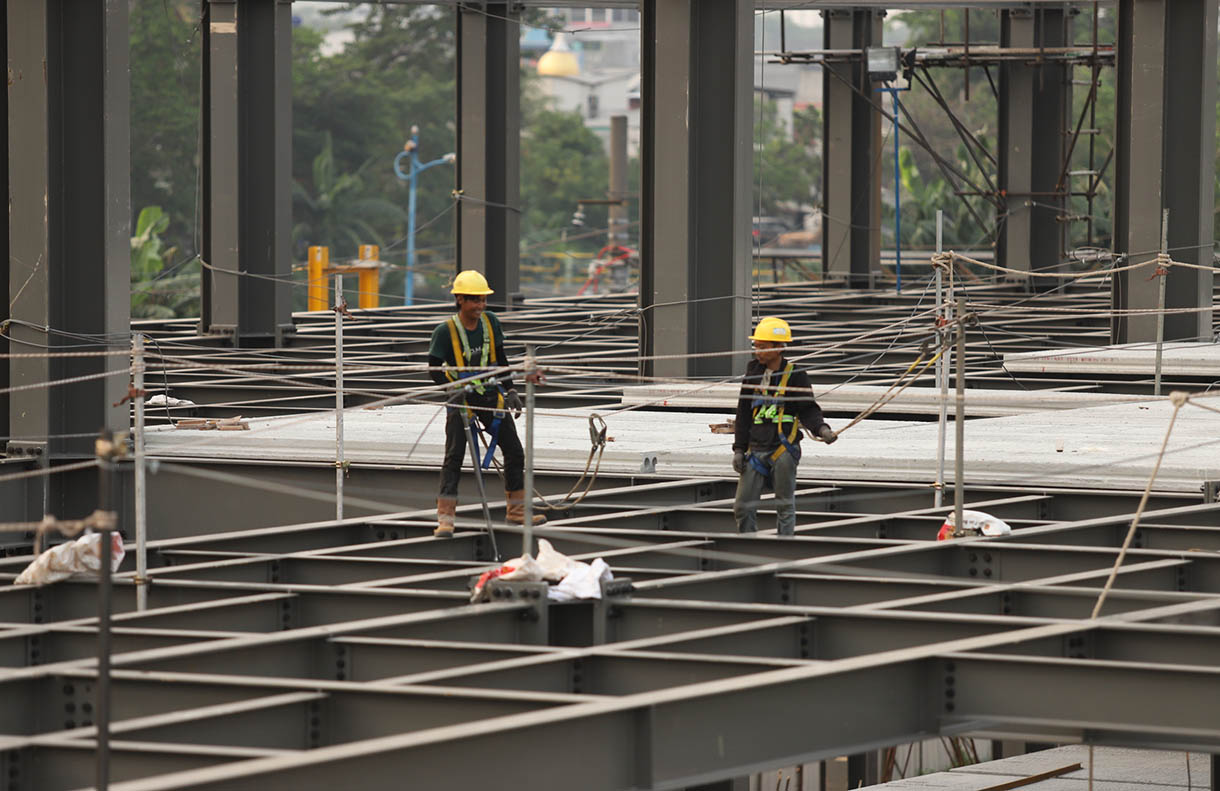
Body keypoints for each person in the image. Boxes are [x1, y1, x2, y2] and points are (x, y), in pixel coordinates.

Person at [427, 270, 545, 537]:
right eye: (474, 300)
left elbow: (500, 360)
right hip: (462, 398)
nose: (480, 306)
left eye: (482, 300)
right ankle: (446, 519)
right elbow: (433, 369)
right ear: (460, 299)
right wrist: (451, 389)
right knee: (454, 457)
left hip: (491, 395)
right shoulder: (445, 332)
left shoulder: (490, 322)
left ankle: (516, 512)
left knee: (515, 451)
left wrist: (511, 389)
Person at [731, 316, 836, 536]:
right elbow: (743, 413)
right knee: (742, 506)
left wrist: (822, 430)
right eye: (756, 346)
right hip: (755, 449)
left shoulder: (796, 375)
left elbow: (808, 409)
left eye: (762, 347)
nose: (757, 351)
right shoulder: (752, 373)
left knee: (784, 505)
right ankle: (746, 543)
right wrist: (739, 449)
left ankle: (784, 546)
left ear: (779, 348)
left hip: (783, 448)